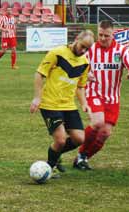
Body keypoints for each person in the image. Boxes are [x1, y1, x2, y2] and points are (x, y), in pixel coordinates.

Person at [73, 20, 129, 170]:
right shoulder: (90, 50)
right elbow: (76, 63)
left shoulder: (121, 51)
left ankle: (82, 157)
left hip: (112, 98)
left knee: (105, 133)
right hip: (93, 92)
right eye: (100, 35)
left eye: (106, 36)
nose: (103, 38)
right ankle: (74, 145)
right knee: (97, 122)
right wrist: (84, 72)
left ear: (113, 34)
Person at [30, 31, 94, 175]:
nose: (83, 51)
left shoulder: (85, 63)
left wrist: (84, 103)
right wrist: (37, 97)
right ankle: (49, 167)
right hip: (50, 103)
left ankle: (56, 155)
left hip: (68, 105)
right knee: (60, 140)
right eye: (82, 46)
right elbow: (39, 73)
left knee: (79, 138)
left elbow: (80, 86)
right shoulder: (57, 53)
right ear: (76, 39)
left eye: (87, 49)